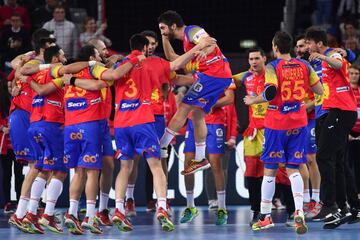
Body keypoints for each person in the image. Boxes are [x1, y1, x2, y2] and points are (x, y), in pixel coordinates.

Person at [244, 31, 323, 235]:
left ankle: (265, 216)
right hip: (299, 120)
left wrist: (253, 100)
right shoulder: (304, 65)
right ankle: (299, 211)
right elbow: (320, 90)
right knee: (293, 167)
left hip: (276, 122)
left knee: (270, 169)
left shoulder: (273, 66)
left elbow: (270, 92)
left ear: (275, 47)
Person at [157, 10, 233, 175]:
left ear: (173, 25)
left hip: (213, 74)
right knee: (197, 114)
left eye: (163, 28)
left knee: (184, 107)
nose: (162, 31)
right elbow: (171, 56)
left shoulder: (191, 30)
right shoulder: (185, 42)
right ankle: (200, 159)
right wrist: (163, 35)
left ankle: (162, 144)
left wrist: (205, 50)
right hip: (216, 77)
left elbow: (209, 42)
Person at [306, 27, 359, 229]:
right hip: (337, 111)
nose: (309, 47)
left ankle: (331, 206)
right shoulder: (316, 59)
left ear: (318, 43)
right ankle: (350, 207)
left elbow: (338, 62)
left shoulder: (332, 53)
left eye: (310, 43)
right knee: (337, 161)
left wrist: (323, 56)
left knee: (323, 156)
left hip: (341, 112)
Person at [8, 28, 55, 232]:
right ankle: (22, 213)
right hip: (24, 117)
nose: (55, 45)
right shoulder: (34, 63)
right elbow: (17, 68)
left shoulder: (33, 62)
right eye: (52, 42)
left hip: (32, 116)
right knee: (38, 165)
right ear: (44, 46)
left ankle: (30, 212)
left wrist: (12, 88)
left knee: (42, 165)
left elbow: (13, 71)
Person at [20, 45, 67, 234]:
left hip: (34, 125)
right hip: (51, 124)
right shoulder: (57, 72)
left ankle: (30, 214)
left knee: (44, 168)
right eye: (62, 56)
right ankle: (47, 215)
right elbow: (43, 90)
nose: (65, 60)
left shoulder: (35, 74)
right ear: (55, 59)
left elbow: (20, 70)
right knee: (61, 170)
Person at [233, 47, 268, 225]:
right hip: (253, 132)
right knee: (252, 172)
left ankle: (290, 209)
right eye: (251, 59)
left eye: (256, 58)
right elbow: (227, 81)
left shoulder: (272, 76)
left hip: (272, 130)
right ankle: (256, 210)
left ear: (264, 59)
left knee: (276, 171)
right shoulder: (246, 77)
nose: (253, 62)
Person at [0, 77, 24, 214]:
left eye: (12, 86)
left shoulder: (20, 100)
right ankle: (7, 202)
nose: (11, 89)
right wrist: (2, 128)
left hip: (18, 143)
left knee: (19, 174)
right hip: (5, 144)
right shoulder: (2, 101)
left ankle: (22, 201)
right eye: (8, 87)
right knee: (6, 174)